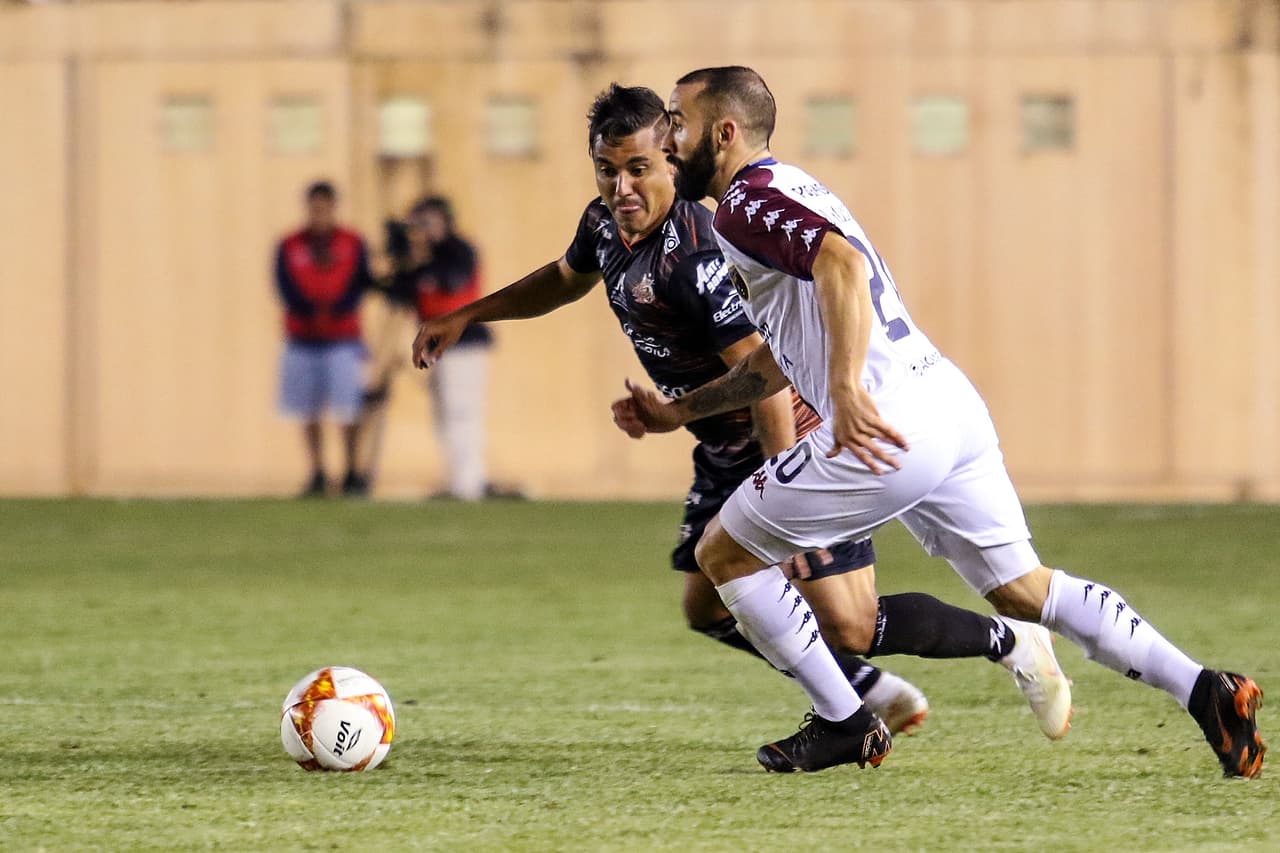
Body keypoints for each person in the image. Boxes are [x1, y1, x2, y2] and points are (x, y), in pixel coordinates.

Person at [611, 65, 1266, 778]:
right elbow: (778, 356)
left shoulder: (742, 204)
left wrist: (845, 389)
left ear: (724, 132)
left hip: (889, 420)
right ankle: (1206, 689)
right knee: (1023, 589)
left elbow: (842, 265)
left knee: (724, 554)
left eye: (678, 122)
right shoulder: (789, 188)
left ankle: (846, 720)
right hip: (948, 405)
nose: (668, 139)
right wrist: (678, 411)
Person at [413, 84, 1072, 747]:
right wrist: (467, 315)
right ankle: (863, 692)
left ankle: (1008, 641)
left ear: (671, 158)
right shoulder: (603, 225)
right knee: (707, 606)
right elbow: (563, 278)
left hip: (787, 432)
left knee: (850, 621)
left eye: (639, 168)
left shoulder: (699, 258)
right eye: (606, 170)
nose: (622, 187)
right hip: (722, 445)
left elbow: (768, 377)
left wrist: (786, 482)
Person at [274, 180, 372, 497]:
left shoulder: (352, 242)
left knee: (348, 407)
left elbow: (359, 283)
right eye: (315, 208)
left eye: (324, 208)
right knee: (308, 409)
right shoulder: (290, 244)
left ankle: (351, 470)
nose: (319, 215)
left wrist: (335, 309)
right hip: (303, 338)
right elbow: (285, 286)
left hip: (342, 337)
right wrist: (309, 310)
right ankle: (317, 471)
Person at [401, 196, 494, 501]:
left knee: (461, 411)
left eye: (428, 222)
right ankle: (457, 479)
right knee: (443, 414)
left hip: (463, 342)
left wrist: (423, 264)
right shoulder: (422, 258)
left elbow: (451, 281)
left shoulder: (459, 250)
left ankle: (469, 483)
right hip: (435, 345)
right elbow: (402, 290)